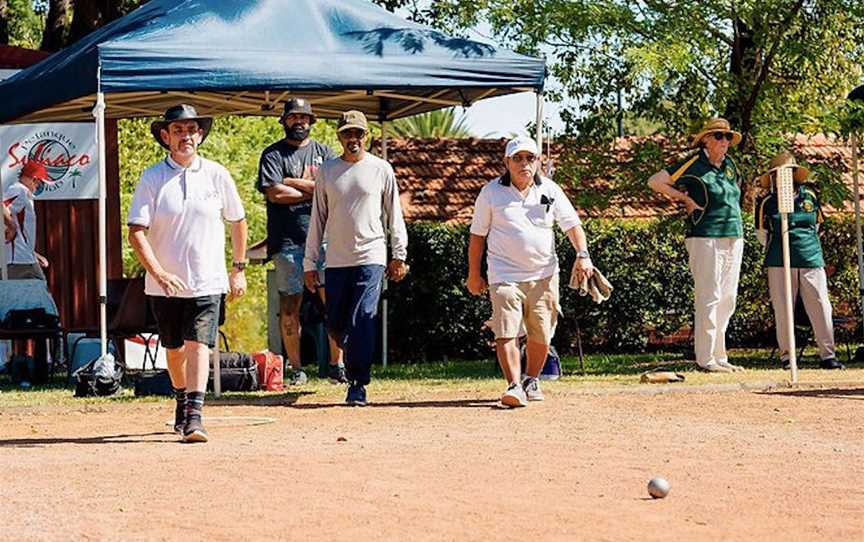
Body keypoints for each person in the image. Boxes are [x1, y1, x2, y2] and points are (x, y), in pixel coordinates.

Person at [128, 104, 247, 443]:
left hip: (208, 280)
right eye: (178, 131)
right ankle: (181, 397)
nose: (186, 137)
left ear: (200, 135)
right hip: (163, 286)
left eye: (192, 130)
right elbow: (136, 231)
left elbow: (238, 221)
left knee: (199, 344)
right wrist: (160, 273)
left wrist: (238, 269)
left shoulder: (216, 174)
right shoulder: (152, 177)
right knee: (175, 348)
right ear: (165, 137)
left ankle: (195, 416)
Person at [467, 136, 592, 407]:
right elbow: (477, 236)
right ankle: (513, 385)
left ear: (538, 161)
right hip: (504, 275)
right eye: (518, 158)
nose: (524, 164)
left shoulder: (550, 189)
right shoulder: (490, 192)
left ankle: (530, 378)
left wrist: (583, 256)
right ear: (507, 162)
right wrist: (474, 275)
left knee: (541, 334)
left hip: (545, 274)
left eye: (530, 158)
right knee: (506, 330)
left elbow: (572, 225)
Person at [303, 110, 408, 406]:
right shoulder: (327, 171)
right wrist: (310, 263)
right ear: (339, 137)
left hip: (371, 256)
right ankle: (351, 352)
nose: (353, 139)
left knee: (363, 318)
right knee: (336, 324)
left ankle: (358, 383)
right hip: (336, 260)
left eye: (358, 134)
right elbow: (317, 218)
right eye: (348, 133)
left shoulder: (381, 169)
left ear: (367, 137)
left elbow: (394, 215)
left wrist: (398, 254)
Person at [258, 98, 346, 385]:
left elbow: (332, 188)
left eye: (304, 118)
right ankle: (296, 370)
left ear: (311, 121)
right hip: (287, 244)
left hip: (325, 241)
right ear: (284, 121)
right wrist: (314, 189)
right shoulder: (272, 155)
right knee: (289, 309)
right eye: (294, 117)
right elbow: (275, 194)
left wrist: (292, 181)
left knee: (333, 303)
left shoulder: (325, 153)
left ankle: (337, 365)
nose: (299, 122)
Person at [647, 117, 745, 373]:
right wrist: (685, 199)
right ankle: (706, 358)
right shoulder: (693, 163)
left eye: (727, 137)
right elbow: (655, 181)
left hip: (734, 234)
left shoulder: (730, 165)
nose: (725, 142)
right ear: (706, 139)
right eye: (719, 137)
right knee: (709, 295)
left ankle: (720, 355)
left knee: (728, 298)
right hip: (705, 235)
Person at [755, 151, 842, 370]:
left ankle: (827, 355)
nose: (784, 177)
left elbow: (817, 226)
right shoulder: (767, 202)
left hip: (811, 257)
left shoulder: (809, 196)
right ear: (773, 177)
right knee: (784, 308)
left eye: (789, 172)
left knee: (821, 304)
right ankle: (787, 356)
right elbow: (761, 234)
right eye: (779, 174)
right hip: (779, 260)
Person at [3, 160, 51, 280]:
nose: (39, 188)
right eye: (40, 184)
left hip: (25, 257)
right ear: (34, 179)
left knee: (40, 293)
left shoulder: (23, 193)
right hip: (16, 261)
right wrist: (11, 226)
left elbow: (21, 232)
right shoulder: (19, 190)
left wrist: (34, 253)